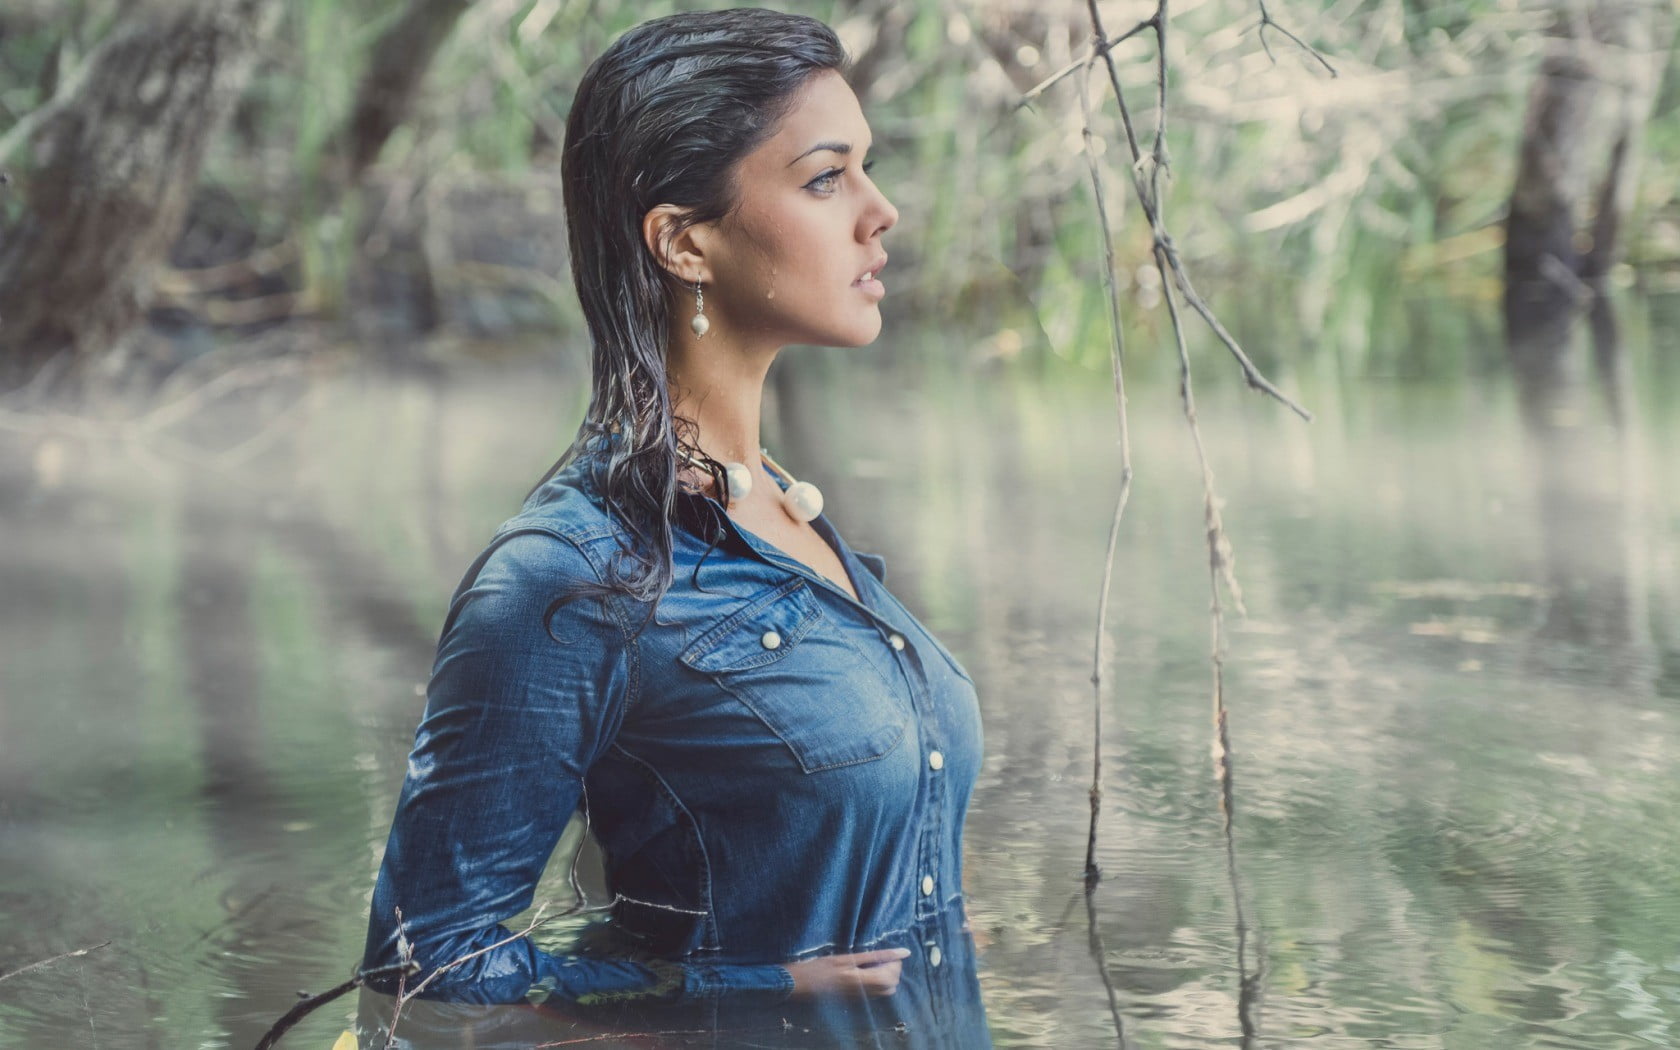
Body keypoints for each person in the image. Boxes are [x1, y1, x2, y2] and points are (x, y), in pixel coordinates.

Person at [360, 7, 985, 1028]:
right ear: (684, 242)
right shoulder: (566, 578)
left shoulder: (787, 507)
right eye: (827, 178)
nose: (883, 212)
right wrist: (758, 985)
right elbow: (430, 966)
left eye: (866, 169)